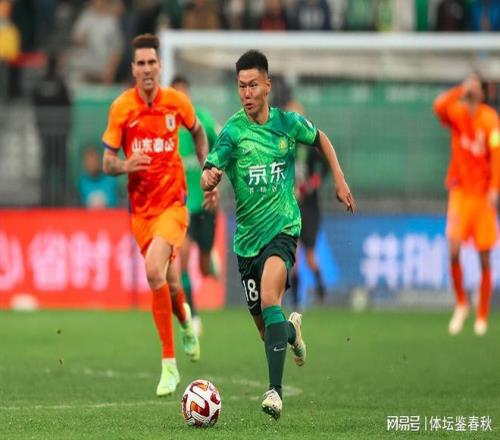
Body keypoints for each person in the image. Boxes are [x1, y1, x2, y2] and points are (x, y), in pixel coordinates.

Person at [201, 50, 355, 419]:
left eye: (253, 85)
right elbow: (210, 167)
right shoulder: (233, 132)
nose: (247, 93)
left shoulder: (288, 124)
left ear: (268, 85)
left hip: (283, 229)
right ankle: (292, 332)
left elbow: (321, 139)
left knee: (271, 297)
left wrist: (339, 178)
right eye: (241, 86)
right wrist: (209, 178)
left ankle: (275, 392)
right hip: (246, 242)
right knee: (266, 328)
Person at [102, 33, 216, 397]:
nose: (148, 68)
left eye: (152, 62)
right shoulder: (121, 108)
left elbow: (199, 132)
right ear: (133, 69)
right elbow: (107, 162)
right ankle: (185, 322)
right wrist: (125, 165)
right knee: (171, 283)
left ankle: (169, 364)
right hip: (142, 212)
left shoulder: (176, 102)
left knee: (153, 270)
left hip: (173, 205)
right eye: (141, 63)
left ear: (160, 66)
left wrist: (207, 170)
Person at [433, 74, 500, 336]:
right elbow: (438, 106)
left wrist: (495, 187)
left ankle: (482, 313)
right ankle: (461, 303)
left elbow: (496, 154)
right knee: (453, 249)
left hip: (482, 196)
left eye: (474, 85)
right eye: (468, 83)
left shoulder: (490, 119)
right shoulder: (458, 112)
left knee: (484, 256)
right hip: (460, 192)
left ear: (483, 92)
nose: (471, 88)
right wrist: (460, 88)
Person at [171, 74, 220, 337]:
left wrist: (216, 170)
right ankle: (194, 315)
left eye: (183, 94)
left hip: (205, 204)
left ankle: (210, 259)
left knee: (203, 266)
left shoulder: (202, 118)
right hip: (182, 206)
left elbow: (221, 140)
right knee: (183, 258)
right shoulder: (166, 125)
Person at [32, 52, 72, 206]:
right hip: (58, 134)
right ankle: (59, 199)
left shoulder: (40, 83)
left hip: (46, 134)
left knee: (47, 167)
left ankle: (46, 199)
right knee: (60, 167)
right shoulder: (60, 83)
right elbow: (68, 105)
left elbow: (35, 103)